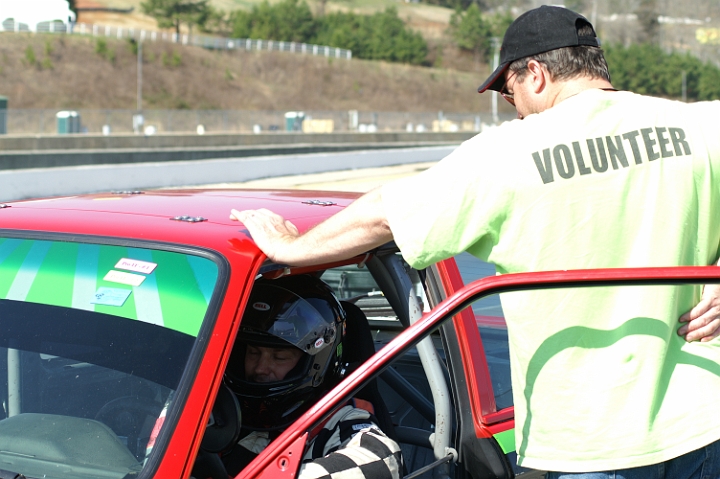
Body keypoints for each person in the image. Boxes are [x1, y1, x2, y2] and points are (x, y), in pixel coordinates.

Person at [229, 5, 720, 478]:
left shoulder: (509, 153)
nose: (515, 110)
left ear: (535, 75)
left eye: (509, 93)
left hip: (592, 439)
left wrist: (292, 249)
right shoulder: (700, 125)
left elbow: (384, 215)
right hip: (704, 417)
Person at [222, 274, 402, 479]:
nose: (261, 368)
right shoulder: (222, 405)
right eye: (253, 353)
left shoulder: (338, 418)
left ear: (314, 363)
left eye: (279, 357)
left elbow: (383, 460)